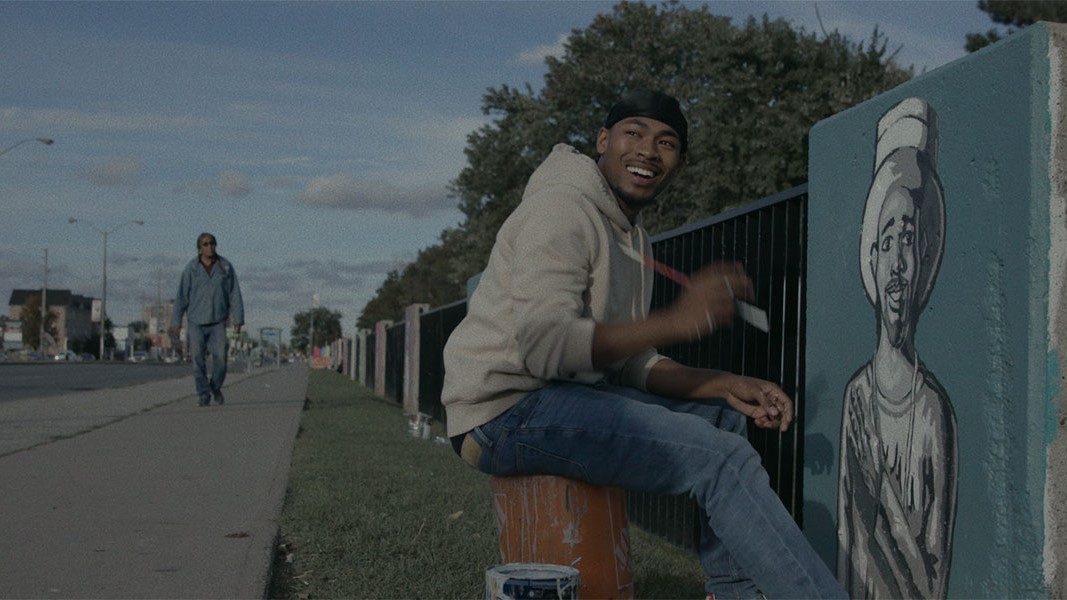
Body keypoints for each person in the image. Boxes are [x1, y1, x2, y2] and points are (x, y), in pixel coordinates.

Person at [442, 89, 846, 599]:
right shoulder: (559, 209)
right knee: (719, 459)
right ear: (603, 140)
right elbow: (547, 349)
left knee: (725, 420)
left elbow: (631, 361)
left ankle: (736, 594)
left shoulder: (634, 236)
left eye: (667, 143)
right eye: (633, 133)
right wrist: (675, 321)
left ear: (678, 163)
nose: (648, 151)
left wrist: (724, 384)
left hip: (557, 398)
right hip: (500, 414)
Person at [837, 97, 957, 599]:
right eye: (887, 242)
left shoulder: (933, 411)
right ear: (872, 259)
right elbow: (847, 544)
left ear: (924, 257)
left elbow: (937, 565)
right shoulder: (856, 398)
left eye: (908, 239)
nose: (898, 263)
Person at [169, 232, 244, 406]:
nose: (209, 247)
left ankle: (215, 386)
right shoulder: (192, 268)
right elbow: (182, 296)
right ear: (199, 248)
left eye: (212, 243)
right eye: (205, 244)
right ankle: (203, 394)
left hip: (218, 320)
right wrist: (176, 322)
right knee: (197, 360)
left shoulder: (225, 267)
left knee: (221, 359)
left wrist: (238, 318)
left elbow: (234, 293)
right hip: (196, 321)